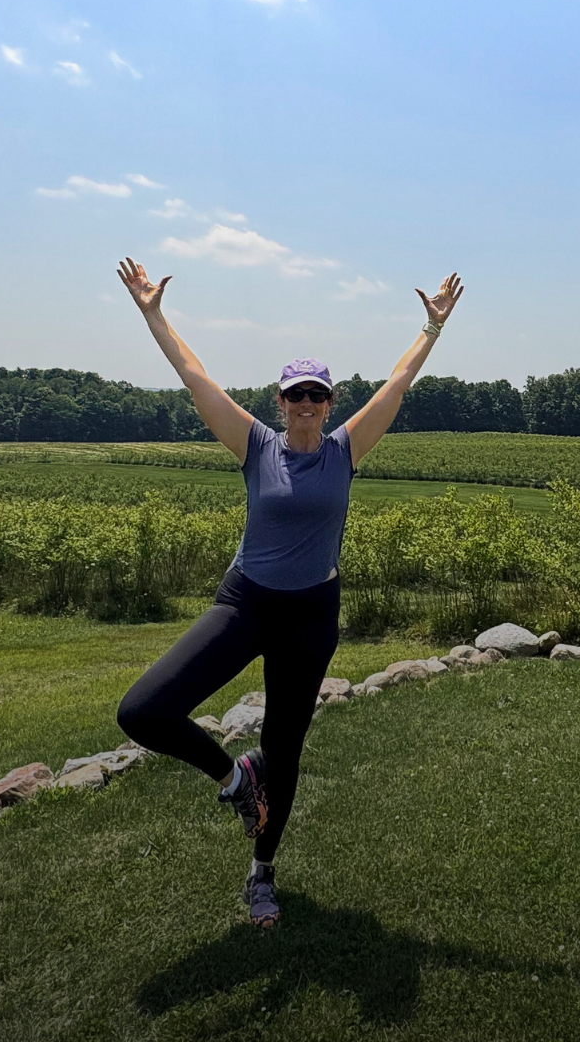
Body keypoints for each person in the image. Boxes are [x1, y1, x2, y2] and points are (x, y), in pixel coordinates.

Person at [112, 257, 463, 928]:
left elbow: (398, 382)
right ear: (280, 402)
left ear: (330, 404)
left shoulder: (345, 449)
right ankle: (237, 781)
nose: (306, 406)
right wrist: (153, 313)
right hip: (246, 602)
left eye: (317, 397)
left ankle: (262, 874)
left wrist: (431, 327)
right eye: (295, 396)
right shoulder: (255, 444)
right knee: (145, 710)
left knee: (286, 747)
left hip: (310, 615)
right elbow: (195, 377)